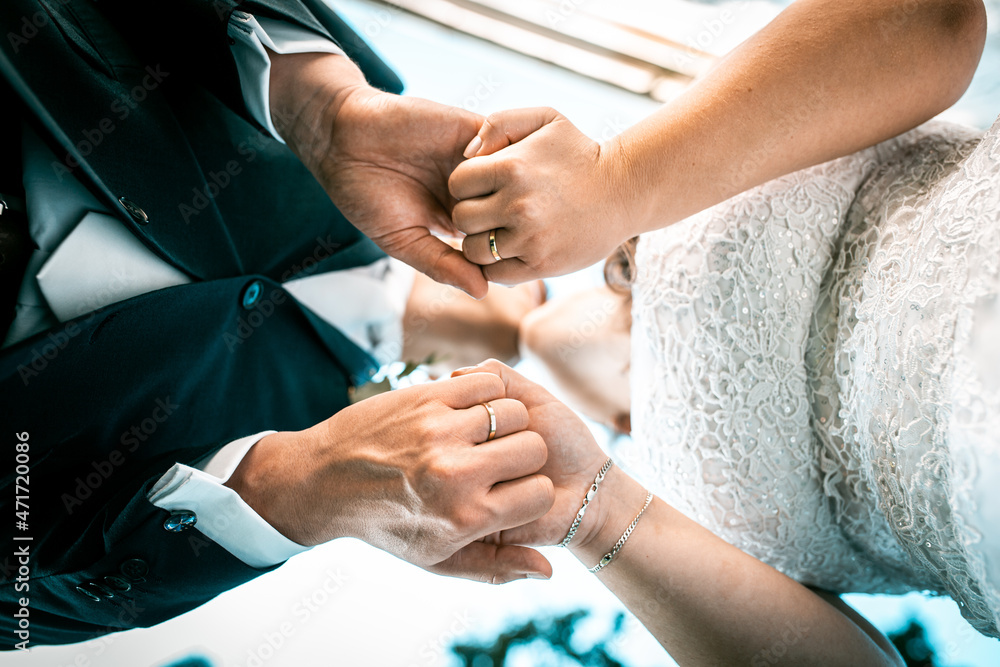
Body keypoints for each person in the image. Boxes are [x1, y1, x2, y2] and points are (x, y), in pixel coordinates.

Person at [449, 0, 1000, 663]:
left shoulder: (658, 178)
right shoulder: (643, 489)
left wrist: (617, 181)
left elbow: (932, 16)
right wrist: (596, 517)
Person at [0, 0, 554, 648]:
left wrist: (299, 485)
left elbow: (21, 610)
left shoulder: (320, 444)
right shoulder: (365, 119)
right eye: (622, 268)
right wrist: (326, 110)